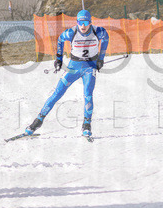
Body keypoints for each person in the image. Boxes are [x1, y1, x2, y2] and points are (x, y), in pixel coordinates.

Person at [24, 9, 109, 138]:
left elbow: (106, 37)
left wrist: (100, 58)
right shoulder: (72, 32)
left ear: (90, 22)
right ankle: (37, 122)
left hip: (89, 68)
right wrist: (59, 59)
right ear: (77, 22)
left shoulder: (98, 31)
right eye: (81, 22)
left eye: (86, 22)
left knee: (88, 94)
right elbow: (60, 40)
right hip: (73, 68)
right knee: (57, 93)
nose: (83, 26)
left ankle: (87, 125)